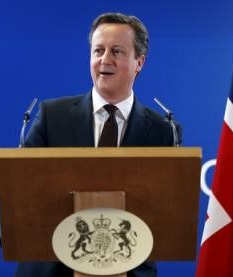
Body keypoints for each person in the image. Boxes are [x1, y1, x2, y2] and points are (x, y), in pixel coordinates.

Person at [15, 12, 181, 277]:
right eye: (98, 50)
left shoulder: (163, 131)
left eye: (116, 51)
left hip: (130, 268)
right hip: (51, 269)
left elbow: (167, 213)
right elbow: (21, 189)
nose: (105, 60)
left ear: (139, 62)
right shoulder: (51, 116)